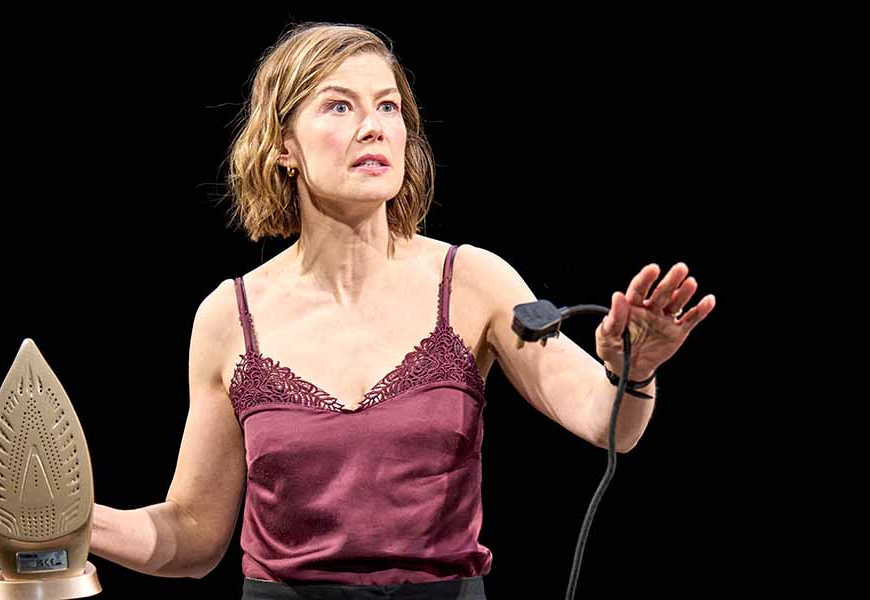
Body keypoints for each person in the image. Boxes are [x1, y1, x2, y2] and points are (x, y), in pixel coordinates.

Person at [89, 21, 715, 599]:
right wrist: (76, 522)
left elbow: (608, 423)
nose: (374, 126)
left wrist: (635, 370)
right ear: (283, 145)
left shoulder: (472, 282)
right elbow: (194, 536)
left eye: (388, 106)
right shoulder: (230, 315)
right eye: (340, 106)